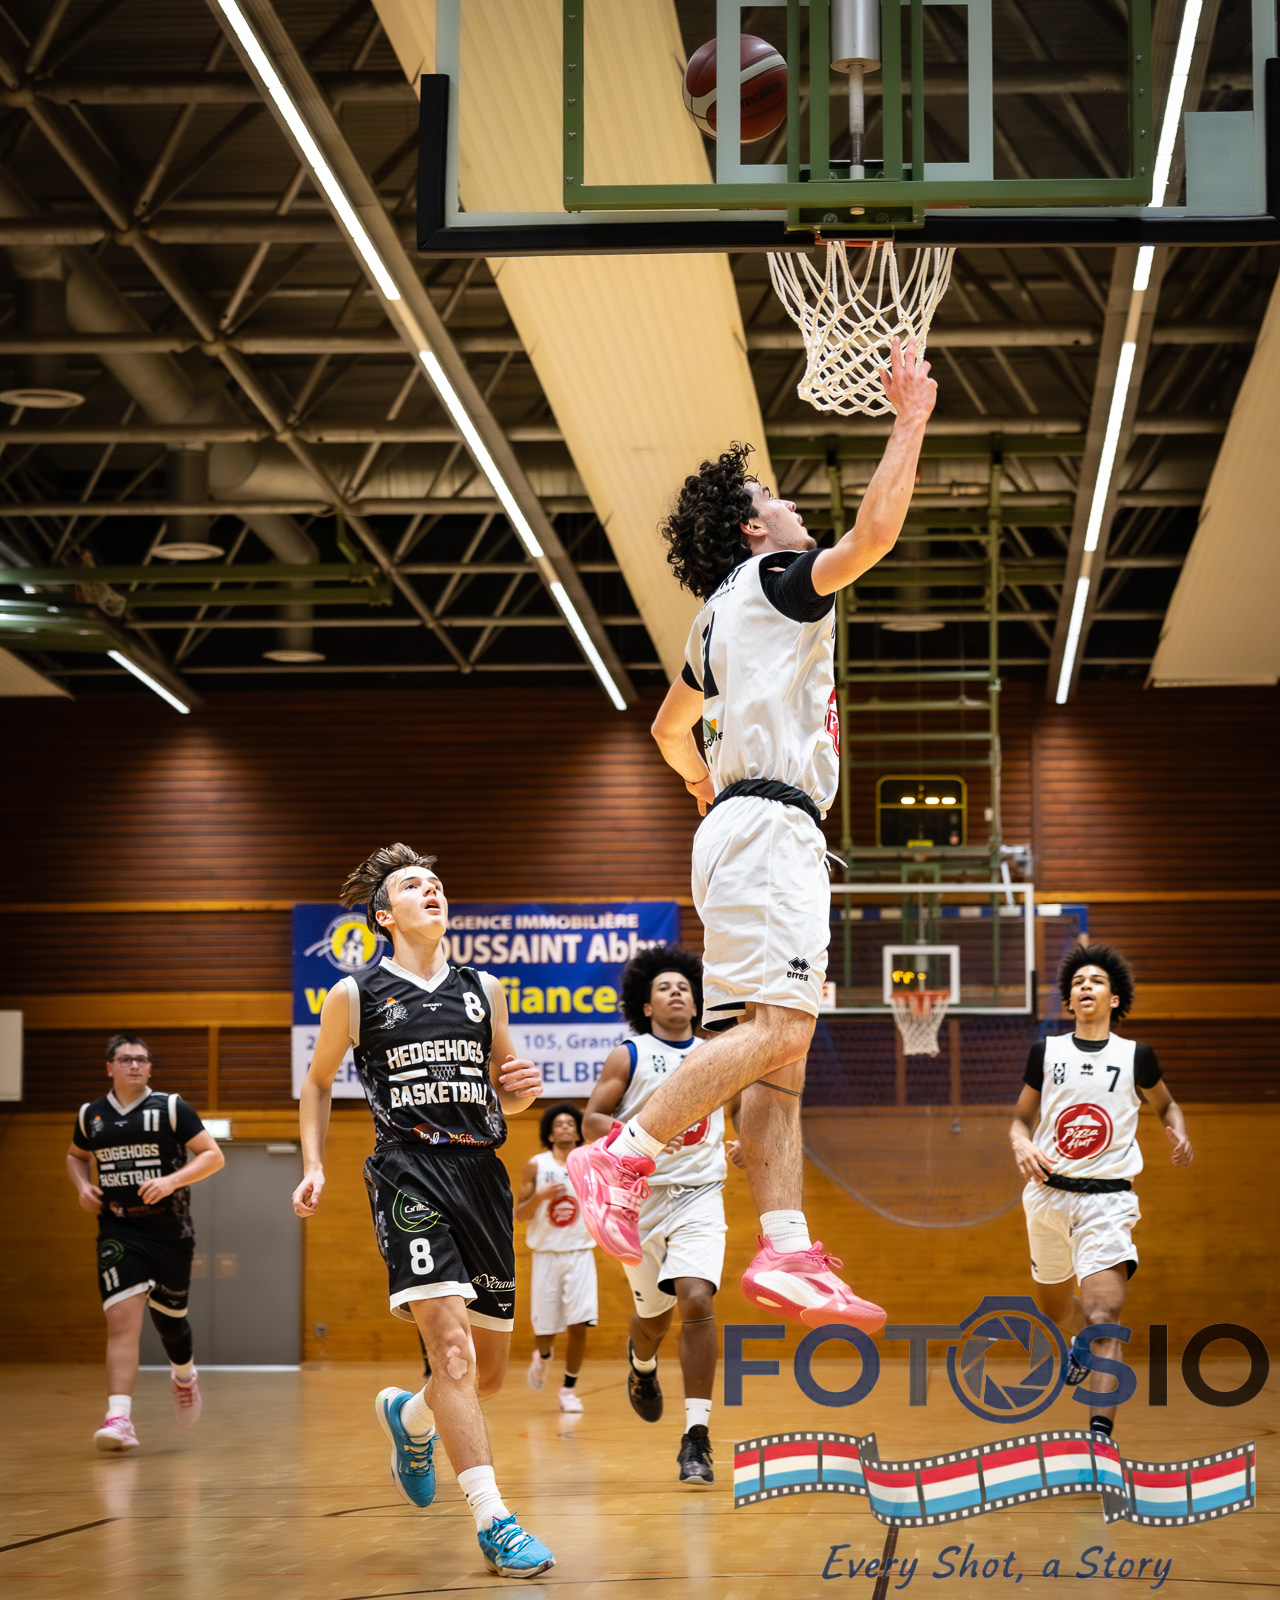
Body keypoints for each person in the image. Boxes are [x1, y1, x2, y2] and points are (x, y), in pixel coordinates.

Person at [568, 338, 936, 1332]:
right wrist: (908, 422)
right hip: (770, 826)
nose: (790, 506)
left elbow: (666, 728)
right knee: (780, 1033)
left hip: (744, 825)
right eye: (774, 496)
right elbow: (872, 535)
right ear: (751, 527)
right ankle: (620, 1156)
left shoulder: (711, 618)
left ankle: (784, 1248)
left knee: (779, 1058)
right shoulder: (775, 575)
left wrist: (701, 786)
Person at [292, 843, 555, 1581]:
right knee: (454, 1352)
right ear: (384, 915)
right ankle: (495, 1522)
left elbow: (508, 1088)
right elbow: (317, 1084)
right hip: (408, 1174)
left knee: (485, 1376)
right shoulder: (354, 995)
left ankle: (410, 1419)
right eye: (413, 885)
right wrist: (313, 1164)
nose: (431, 889)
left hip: (483, 1177)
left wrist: (522, 1092)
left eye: (436, 882)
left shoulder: (485, 990)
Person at [1009, 943, 1193, 1445]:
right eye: (1077, 983)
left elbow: (1167, 1106)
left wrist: (1178, 1131)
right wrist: (1020, 1143)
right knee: (1055, 1309)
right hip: (1047, 1197)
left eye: (1095, 981)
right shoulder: (1046, 1052)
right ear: (1069, 1001)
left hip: (1107, 1202)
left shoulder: (1136, 1056)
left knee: (1104, 1317)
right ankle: (1077, 1345)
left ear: (1114, 999)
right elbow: (1021, 1120)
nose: (1085, 986)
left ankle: (1099, 1437)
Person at [583, 947, 739, 1487]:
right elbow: (592, 1120)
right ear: (646, 1006)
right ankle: (642, 1364)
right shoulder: (630, 1055)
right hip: (639, 1199)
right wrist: (635, 1138)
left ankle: (696, 1437)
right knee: (653, 1319)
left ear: (697, 1004)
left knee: (697, 1298)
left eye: (684, 988)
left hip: (701, 1193)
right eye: (665, 988)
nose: (677, 993)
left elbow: (743, 1111)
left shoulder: (720, 1054)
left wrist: (745, 1142)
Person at [65, 1033, 225, 1452]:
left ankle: (184, 1376)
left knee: (171, 1322)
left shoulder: (170, 1107)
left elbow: (213, 1155)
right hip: (118, 1230)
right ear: (109, 1067)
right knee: (121, 1320)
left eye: (141, 1059)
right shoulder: (90, 1115)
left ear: (150, 1067)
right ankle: (118, 1417)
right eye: (125, 1059)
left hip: (170, 1231)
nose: (134, 1065)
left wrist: (171, 1181)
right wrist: (82, 1186)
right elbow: (75, 1155)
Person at [513, 1102, 597, 1413]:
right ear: (549, 1133)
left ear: (578, 1131)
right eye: (558, 1124)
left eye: (570, 1123)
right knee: (545, 1333)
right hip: (546, 1255)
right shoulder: (537, 1165)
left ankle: (568, 1390)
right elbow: (520, 1214)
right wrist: (539, 1197)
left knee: (579, 1323)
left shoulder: (589, 1162)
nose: (564, 1127)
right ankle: (543, 1356)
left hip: (580, 1252)